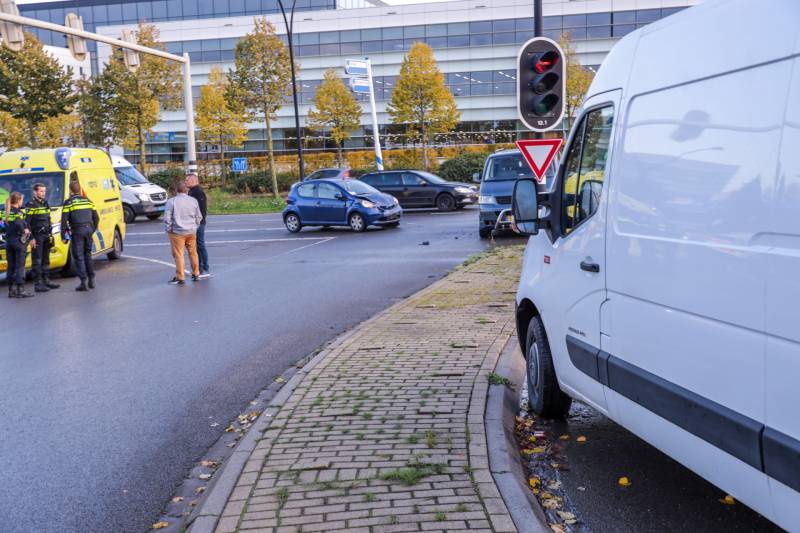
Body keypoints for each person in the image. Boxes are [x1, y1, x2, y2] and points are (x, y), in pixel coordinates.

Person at [61, 178, 99, 292]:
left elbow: (64, 220)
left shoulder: (69, 202)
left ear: (70, 191)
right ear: (80, 189)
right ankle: (92, 278)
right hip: (88, 230)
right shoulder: (88, 201)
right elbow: (96, 218)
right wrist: (92, 229)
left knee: (79, 257)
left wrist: (64, 235)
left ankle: (83, 282)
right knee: (88, 255)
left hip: (77, 231)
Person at [164, 180, 202, 285]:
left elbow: (167, 218)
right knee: (193, 253)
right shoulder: (194, 201)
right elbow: (199, 216)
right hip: (191, 231)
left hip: (177, 232)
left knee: (179, 255)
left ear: (176, 190)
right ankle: (196, 274)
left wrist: (169, 228)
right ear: (187, 190)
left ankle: (180, 277)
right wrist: (195, 226)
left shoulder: (171, 201)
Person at [26, 183, 60, 292]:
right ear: (35, 192)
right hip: (37, 236)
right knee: (37, 260)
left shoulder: (45, 203)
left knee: (46, 259)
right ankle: (38, 284)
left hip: (46, 235)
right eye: (41, 191)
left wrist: (50, 234)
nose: (43, 193)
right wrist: (31, 238)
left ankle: (46, 281)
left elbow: (48, 219)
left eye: (44, 191)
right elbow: (27, 223)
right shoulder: (31, 204)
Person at [4, 191, 34, 298]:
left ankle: (11, 290)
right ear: (19, 200)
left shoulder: (5, 212)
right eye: (21, 200)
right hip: (19, 242)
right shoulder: (19, 213)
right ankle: (20, 290)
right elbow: (18, 223)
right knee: (20, 266)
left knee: (10, 266)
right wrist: (24, 230)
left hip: (9, 242)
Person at [186, 173, 210, 278]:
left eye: (187, 180)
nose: (185, 181)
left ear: (193, 181)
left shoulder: (198, 192)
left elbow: (202, 210)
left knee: (200, 246)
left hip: (198, 224)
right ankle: (200, 267)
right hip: (195, 223)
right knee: (196, 246)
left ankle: (204, 268)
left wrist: (197, 223)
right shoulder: (192, 191)